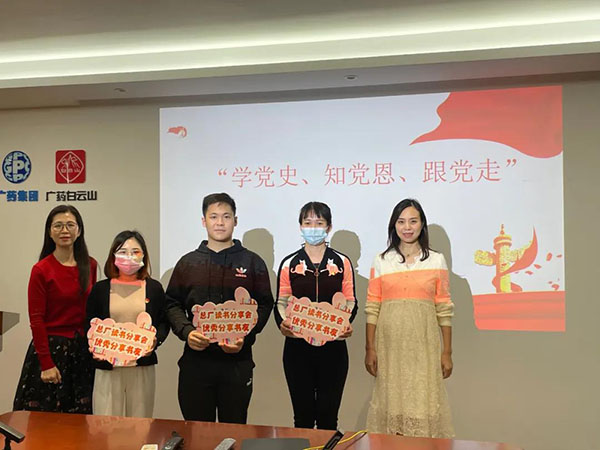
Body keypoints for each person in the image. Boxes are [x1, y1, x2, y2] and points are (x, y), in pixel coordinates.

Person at [166, 192, 273, 423]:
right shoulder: (187, 263)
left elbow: (265, 304)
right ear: (204, 221)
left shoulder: (252, 262)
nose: (220, 222)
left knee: (233, 430)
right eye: (213, 217)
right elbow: (172, 303)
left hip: (237, 362)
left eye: (226, 216)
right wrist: (187, 332)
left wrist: (245, 335)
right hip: (196, 362)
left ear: (235, 220)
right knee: (197, 431)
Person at [365, 198, 454, 438]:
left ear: (422, 224)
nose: (407, 227)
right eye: (401, 221)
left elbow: (444, 308)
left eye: (413, 221)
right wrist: (370, 348)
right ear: (393, 226)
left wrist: (447, 351)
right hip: (390, 345)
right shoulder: (381, 260)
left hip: (423, 344)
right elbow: (372, 306)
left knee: (422, 402)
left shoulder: (436, 260)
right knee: (392, 402)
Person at [274, 201, 357, 430]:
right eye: (308, 222)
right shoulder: (289, 263)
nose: (313, 228)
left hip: (333, 348)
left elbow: (350, 300)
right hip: (297, 349)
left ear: (329, 227)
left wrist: (344, 322)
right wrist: (283, 324)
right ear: (300, 226)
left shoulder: (342, 262)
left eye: (319, 223)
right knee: (302, 418)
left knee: (328, 418)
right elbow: (281, 301)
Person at [13, 205, 97, 413]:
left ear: (79, 230)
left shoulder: (91, 265)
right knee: (45, 421)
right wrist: (46, 363)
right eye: (58, 225)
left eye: (70, 225)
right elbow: (36, 319)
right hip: (51, 351)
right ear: (50, 232)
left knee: (82, 420)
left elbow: (93, 312)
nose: (64, 230)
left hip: (82, 351)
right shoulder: (41, 270)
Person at [86, 230, 169, 418]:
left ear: (144, 255)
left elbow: (163, 322)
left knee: (140, 422)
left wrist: (155, 341)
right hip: (108, 367)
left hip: (141, 365)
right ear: (113, 256)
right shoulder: (100, 289)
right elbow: (89, 324)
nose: (129, 257)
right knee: (106, 422)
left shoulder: (154, 288)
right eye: (123, 252)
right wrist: (94, 346)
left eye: (135, 252)